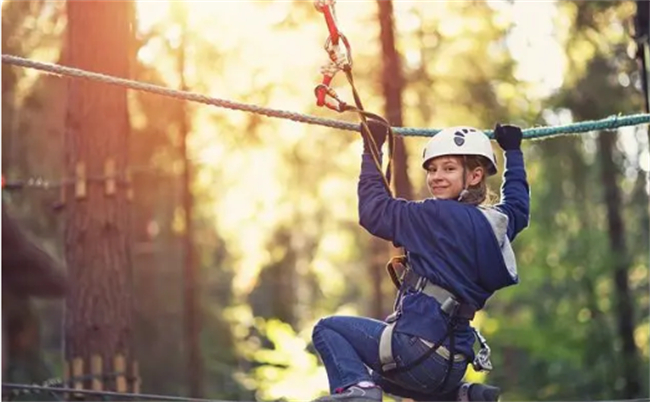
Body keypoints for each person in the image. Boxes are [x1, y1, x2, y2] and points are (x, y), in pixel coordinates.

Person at [311, 119, 530, 402]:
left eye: (449, 168)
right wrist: (514, 152)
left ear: (475, 176)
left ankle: (357, 394)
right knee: (380, 377)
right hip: (451, 365)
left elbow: (373, 211)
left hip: (417, 352)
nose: (436, 176)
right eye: (432, 169)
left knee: (328, 329)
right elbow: (518, 207)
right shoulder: (495, 224)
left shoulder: (432, 216)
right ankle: (462, 395)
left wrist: (372, 149)